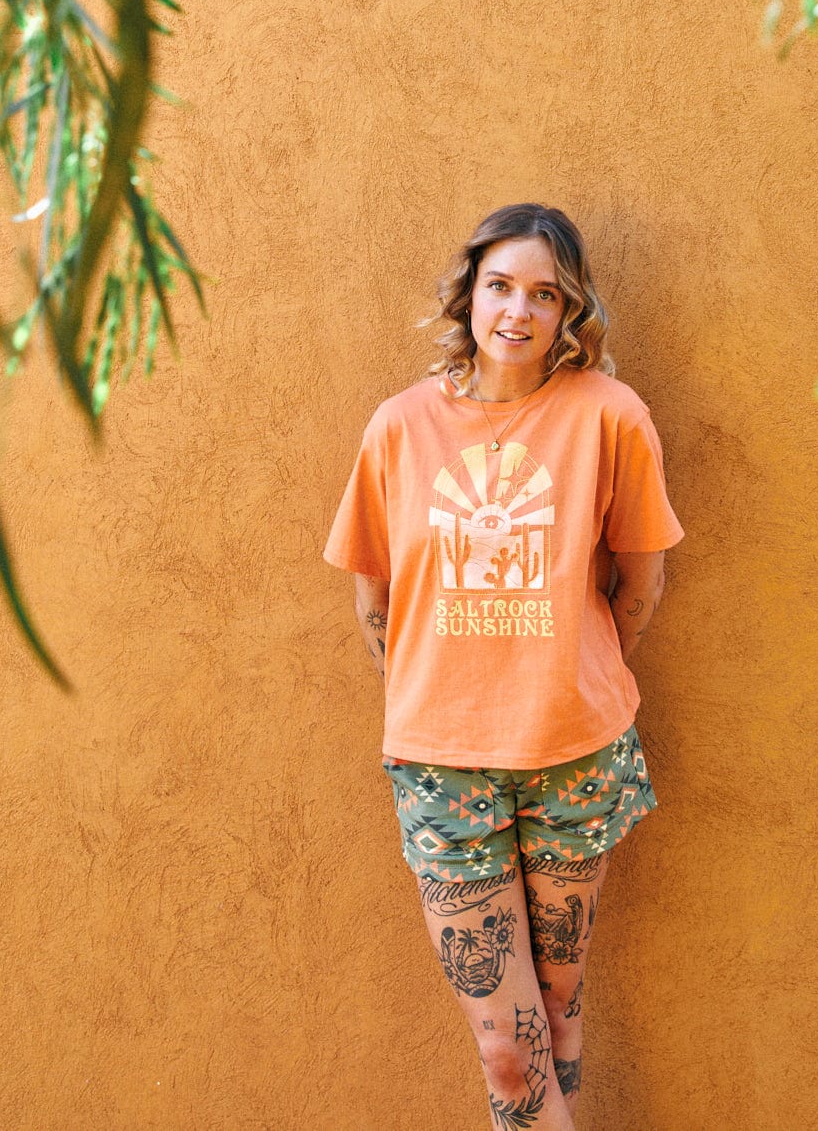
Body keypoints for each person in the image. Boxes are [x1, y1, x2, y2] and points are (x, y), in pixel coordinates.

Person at [324, 204, 683, 1129]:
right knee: (506, 1045)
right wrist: (445, 692)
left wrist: (566, 672)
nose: (517, 310)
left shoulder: (611, 416)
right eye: (500, 285)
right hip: (442, 769)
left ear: (570, 313)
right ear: (468, 293)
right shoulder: (400, 428)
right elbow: (375, 598)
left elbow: (638, 582)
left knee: (557, 1019)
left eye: (544, 293)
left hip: (575, 756)